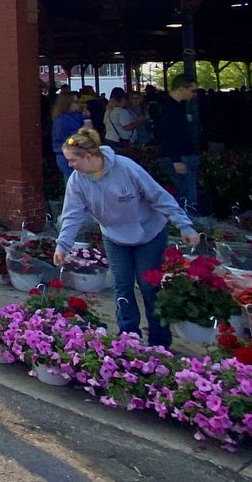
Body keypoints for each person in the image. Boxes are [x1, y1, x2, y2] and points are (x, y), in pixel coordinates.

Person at [54, 126, 200, 348]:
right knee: (121, 285)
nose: (69, 165)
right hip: (114, 237)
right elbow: (72, 215)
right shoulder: (77, 180)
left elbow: (158, 196)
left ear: (90, 156)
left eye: (73, 160)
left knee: (148, 285)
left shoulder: (126, 168)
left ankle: (159, 343)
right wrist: (63, 245)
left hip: (149, 233)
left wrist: (184, 225)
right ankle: (128, 339)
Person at [154, 74, 201, 212]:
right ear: (181, 88)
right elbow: (168, 135)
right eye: (192, 90)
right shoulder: (169, 109)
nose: (194, 94)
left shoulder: (172, 106)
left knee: (185, 193)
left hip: (179, 155)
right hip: (179, 156)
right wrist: (176, 159)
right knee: (188, 194)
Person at [50, 92, 87, 183]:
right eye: (76, 102)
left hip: (76, 151)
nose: (79, 104)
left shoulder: (77, 115)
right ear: (67, 104)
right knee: (73, 182)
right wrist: (77, 140)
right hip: (66, 154)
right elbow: (64, 138)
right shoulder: (61, 120)